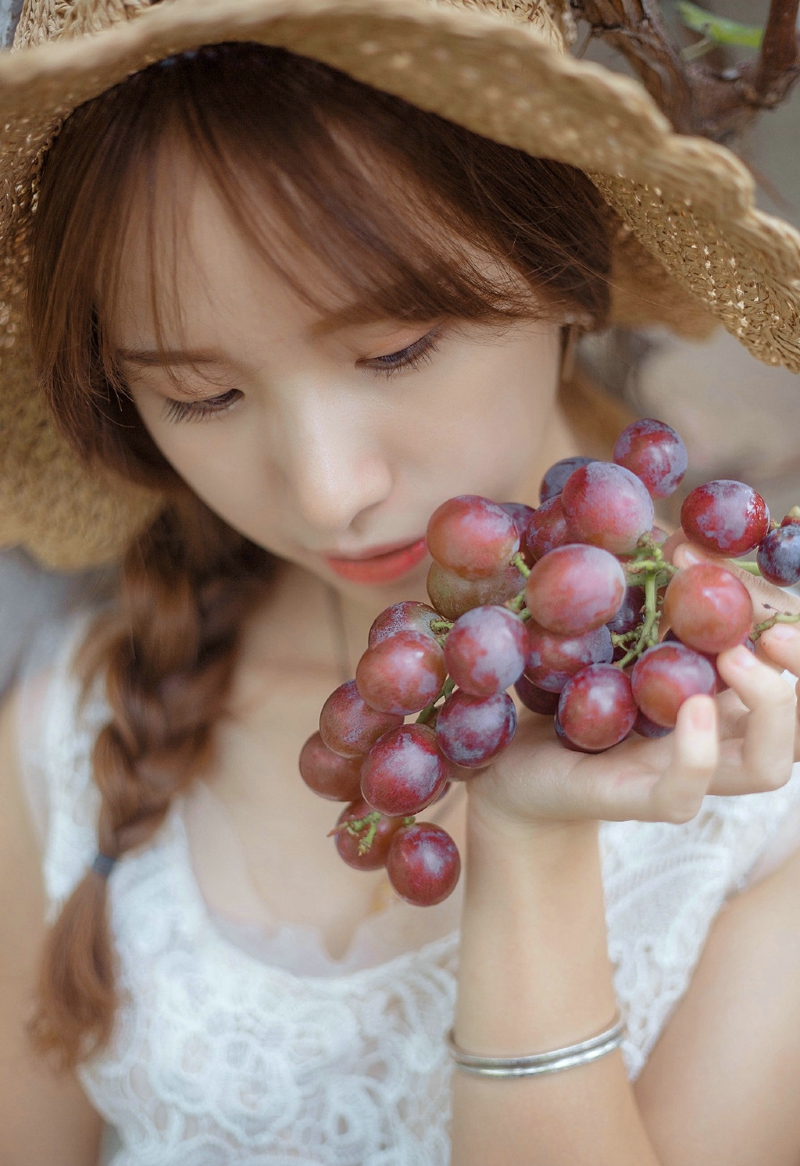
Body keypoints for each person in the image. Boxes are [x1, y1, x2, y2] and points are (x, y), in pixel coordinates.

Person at [2, 3, 800, 1164]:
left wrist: (526, 842)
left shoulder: (766, 760)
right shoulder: (75, 728)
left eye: (393, 350)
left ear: (561, 261)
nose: (327, 490)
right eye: (201, 395)